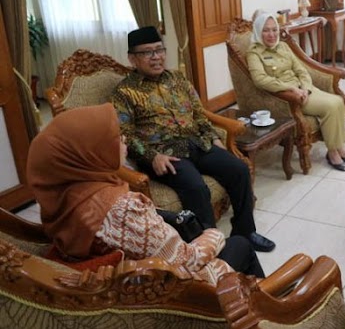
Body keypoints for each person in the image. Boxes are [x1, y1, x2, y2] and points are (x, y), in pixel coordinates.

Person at [27, 103, 265, 282]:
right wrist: (213, 234)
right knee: (239, 245)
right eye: (113, 137)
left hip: (131, 279)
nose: (123, 142)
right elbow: (188, 259)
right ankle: (268, 310)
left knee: (236, 169)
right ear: (88, 153)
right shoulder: (122, 210)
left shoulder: (64, 197)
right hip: (180, 293)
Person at [111, 26, 275, 252]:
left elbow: (199, 114)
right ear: (132, 58)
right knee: (197, 188)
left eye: (159, 50)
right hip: (164, 155)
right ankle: (210, 246)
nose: (156, 57)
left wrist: (214, 139)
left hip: (197, 143)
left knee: (239, 169)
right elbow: (125, 133)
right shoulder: (124, 92)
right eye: (147, 52)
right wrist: (151, 156)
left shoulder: (178, 79)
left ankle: (245, 231)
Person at [246, 12, 345, 172]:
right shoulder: (254, 52)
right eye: (266, 30)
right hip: (289, 96)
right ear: (258, 31)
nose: (271, 34)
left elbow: (301, 70)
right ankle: (333, 153)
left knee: (338, 101)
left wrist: (305, 87)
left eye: (274, 30)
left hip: (304, 90)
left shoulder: (283, 46)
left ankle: (339, 148)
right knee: (332, 106)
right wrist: (292, 89)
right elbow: (260, 79)